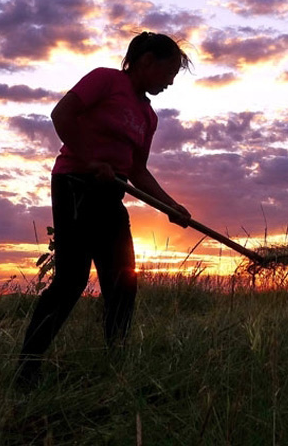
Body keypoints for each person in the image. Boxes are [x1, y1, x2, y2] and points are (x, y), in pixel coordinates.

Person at [16, 31, 192, 387]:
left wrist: (171, 205)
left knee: (123, 281)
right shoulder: (106, 80)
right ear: (146, 62)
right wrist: (91, 158)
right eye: (168, 72)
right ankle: (27, 369)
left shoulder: (148, 116)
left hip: (110, 195)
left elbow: (137, 170)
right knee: (71, 280)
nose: (171, 82)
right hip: (76, 185)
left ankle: (116, 364)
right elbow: (61, 114)